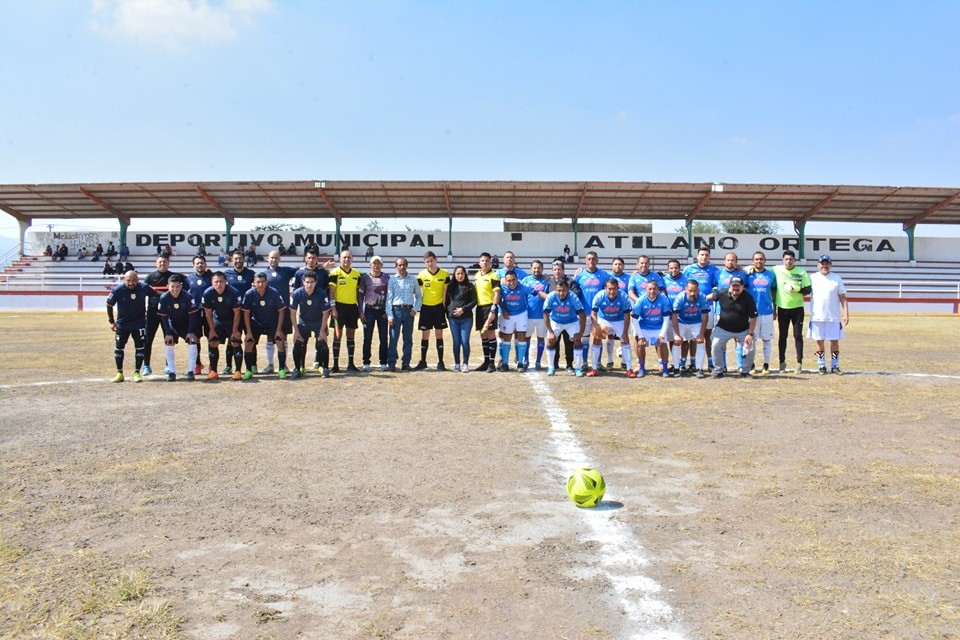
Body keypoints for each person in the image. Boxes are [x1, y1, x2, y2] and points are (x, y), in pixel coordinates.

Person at [106, 270, 157, 383]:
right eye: (128, 280)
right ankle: (119, 373)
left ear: (137, 280)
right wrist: (111, 321)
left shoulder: (143, 287)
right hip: (122, 325)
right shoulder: (117, 290)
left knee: (140, 348)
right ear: (124, 280)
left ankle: (137, 372)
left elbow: (156, 294)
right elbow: (109, 304)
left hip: (139, 324)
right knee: (119, 348)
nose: (131, 283)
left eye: (134, 280)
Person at [241, 272, 289, 379]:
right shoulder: (249, 294)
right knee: (249, 343)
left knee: (280, 341)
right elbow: (246, 313)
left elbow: (281, 311)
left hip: (272, 323)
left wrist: (279, 329)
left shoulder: (274, 293)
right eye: (258, 282)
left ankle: (281, 369)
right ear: (254, 283)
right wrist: (248, 332)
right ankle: (249, 370)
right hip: (256, 324)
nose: (261, 284)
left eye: (263, 282)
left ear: (267, 282)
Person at [772, 249, 812, 373]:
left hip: (797, 309)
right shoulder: (776, 269)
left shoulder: (801, 272)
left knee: (797, 335)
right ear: (783, 260)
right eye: (786, 259)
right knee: (782, 336)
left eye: (791, 259)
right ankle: (782, 363)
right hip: (782, 308)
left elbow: (808, 290)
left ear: (794, 260)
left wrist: (797, 288)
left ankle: (799, 363)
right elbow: (760, 269)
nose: (788, 261)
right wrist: (750, 268)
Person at [808, 255, 849, 375]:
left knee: (834, 341)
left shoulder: (836, 278)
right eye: (822, 263)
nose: (824, 266)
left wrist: (846, 313)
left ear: (830, 265)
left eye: (827, 264)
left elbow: (843, 298)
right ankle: (821, 365)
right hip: (817, 316)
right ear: (818, 265)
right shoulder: (812, 278)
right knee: (819, 341)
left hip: (833, 316)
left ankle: (835, 366)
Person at [294, 247, 333, 372]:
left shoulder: (322, 272)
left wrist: (329, 309)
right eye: (309, 257)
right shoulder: (299, 273)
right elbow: (297, 292)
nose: (311, 260)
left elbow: (327, 290)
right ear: (305, 258)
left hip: (320, 312)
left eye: (314, 258)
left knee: (321, 339)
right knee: (302, 341)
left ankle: (320, 364)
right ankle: (300, 367)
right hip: (305, 314)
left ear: (317, 259)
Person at [711, 276, 758, 378]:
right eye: (733, 286)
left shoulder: (748, 298)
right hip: (723, 328)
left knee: (750, 347)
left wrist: (750, 334)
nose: (735, 288)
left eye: (738, 286)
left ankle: (745, 371)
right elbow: (711, 297)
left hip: (743, 329)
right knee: (715, 344)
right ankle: (718, 370)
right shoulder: (722, 293)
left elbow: (753, 317)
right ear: (729, 286)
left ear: (742, 287)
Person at [156, 273, 200, 381]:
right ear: (168, 286)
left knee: (193, 342)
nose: (175, 289)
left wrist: (190, 331)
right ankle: (172, 372)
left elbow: (193, 316)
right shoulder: (164, 298)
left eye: (177, 286)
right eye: (172, 286)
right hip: (172, 325)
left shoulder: (188, 297)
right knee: (169, 343)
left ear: (181, 286)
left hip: (186, 324)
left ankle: (191, 371)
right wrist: (168, 332)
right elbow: (164, 317)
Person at [683, 248, 721, 370]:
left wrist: (704, 298)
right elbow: (682, 285)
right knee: (693, 337)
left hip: (707, 307)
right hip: (691, 307)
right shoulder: (689, 270)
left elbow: (717, 289)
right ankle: (693, 363)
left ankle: (710, 363)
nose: (704, 257)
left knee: (707, 336)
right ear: (697, 256)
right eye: (701, 255)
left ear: (709, 257)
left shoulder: (714, 270)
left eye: (706, 255)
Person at [289, 270, 331, 379]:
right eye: (307, 282)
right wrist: (296, 331)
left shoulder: (321, 293)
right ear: (303, 282)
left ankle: (324, 367)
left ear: (316, 282)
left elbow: (325, 312)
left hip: (318, 321)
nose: (309, 284)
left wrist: (322, 330)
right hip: (304, 322)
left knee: (322, 342)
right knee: (299, 343)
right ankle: (298, 368)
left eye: (312, 282)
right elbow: (292, 312)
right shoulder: (297, 293)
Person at [588, 277, 634, 377]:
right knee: (596, 338)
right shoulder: (599, 296)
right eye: (609, 289)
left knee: (625, 340)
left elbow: (627, 315)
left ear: (618, 288)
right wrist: (597, 327)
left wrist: (625, 332)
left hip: (619, 320)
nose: (612, 291)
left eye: (614, 288)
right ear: (605, 288)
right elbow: (593, 314)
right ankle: (594, 368)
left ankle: (629, 369)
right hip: (604, 319)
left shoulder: (623, 297)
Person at [201, 271, 243, 380]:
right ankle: (214, 371)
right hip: (218, 320)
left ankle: (237, 371)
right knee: (213, 341)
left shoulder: (234, 292)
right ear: (212, 282)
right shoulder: (207, 293)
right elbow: (208, 314)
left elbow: (237, 312)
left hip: (232, 320)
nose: (218, 284)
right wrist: (211, 330)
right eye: (216, 282)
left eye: (221, 282)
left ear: (226, 282)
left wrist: (234, 330)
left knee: (235, 341)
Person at [142, 254, 180, 376]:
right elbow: (144, 293)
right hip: (153, 312)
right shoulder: (150, 277)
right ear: (156, 264)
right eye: (160, 262)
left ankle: (168, 365)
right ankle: (146, 365)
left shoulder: (173, 277)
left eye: (165, 262)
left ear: (168, 263)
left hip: (168, 313)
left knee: (169, 338)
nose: (162, 264)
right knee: (148, 339)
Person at [497, 271, 541, 372]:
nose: (511, 282)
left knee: (521, 336)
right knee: (507, 337)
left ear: (517, 279)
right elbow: (498, 299)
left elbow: (536, 292)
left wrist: (549, 298)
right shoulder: (502, 287)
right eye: (509, 280)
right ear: (505, 280)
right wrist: (503, 310)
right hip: (508, 314)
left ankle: (520, 363)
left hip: (521, 314)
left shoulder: (523, 286)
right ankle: (505, 363)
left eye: (513, 280)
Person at [328, 249, 363, 373]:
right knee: (337, 335)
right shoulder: (335, 273)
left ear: (352, 259)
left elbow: (358, 294)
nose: (346, 259)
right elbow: (331, 292)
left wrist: (360, 310)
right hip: (338, 307)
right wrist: (333, 308)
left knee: (351, 335)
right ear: (340, 259)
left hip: (352, 308)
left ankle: (351, 363)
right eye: (344, 257)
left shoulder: (356, 274)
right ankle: (335, 365)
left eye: (349, 257)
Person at [263, 249, 298, 374]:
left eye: (276, 258)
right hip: (269, 311)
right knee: (270, 337)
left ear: (279, 259)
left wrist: (319, 266)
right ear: (268, 258)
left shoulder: (286, 271)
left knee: (284, 337)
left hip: (284, 309)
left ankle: (284, 364)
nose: (274, 260)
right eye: (272, 257)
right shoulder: (264, 274)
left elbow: (303, 270)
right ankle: (270, 364)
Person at [415, 251, 451, 370]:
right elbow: (418, 292)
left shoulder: (444, 274)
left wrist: (445, 306)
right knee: (425, 335)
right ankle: (423, 361)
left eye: (431, 260)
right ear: (424, 262)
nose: (430, 263)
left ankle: (441, 362)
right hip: (425, 308)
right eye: (427, 261)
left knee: (439, 335)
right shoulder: (421, 275)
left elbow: (446, 291)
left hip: (439, 308)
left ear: (436, 259)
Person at [543, 277, 586, 376]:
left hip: (571, 321)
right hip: (556, 321)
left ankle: (578, 368)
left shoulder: (573, 297)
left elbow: (582, 315)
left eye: (564, 291)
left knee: (577, 340)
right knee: (550, 340)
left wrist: (580, 333)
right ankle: (551, 367)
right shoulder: (551, 297)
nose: (561, 293)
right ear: (555, 290)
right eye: (559, 291)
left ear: (568, 290)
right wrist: (551, 332)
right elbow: (545, 315)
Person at [386, 257, 422, 371]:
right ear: (396, 266)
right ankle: (391, 362)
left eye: (403, 265)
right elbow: (389, 299)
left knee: (408, 338)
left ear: (407, 265)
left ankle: (406, 362)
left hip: (408, 311)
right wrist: (390, 315)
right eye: (399, 265)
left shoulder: (413, 279)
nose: (402, 267)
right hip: (396, 310)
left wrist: (415, 309)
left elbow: (419, 296)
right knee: (393, 338)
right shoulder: (392, 279)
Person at [631, 279, 673, 377]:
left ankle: (665, 368)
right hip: (644, 327)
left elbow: (666, 319)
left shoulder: (664, 299)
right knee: (640, 344)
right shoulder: (640, 300)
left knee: (663, 344)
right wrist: (641, 336)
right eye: (649, 289)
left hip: (658, 326)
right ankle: (641, 367)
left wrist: (662, 335)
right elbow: (634, 319)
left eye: (654, 289)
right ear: (646, 290)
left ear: (658, 289)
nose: (652, 291)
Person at [574, 251, 608, 367]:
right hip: (584, 313)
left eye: (593, 259)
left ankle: (597, 363)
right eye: (589, 259)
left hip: (599, 313)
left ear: (597, 261)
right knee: (584, 338)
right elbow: (573, 290)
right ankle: (584, 362)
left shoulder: (604, 275)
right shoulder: (579, 276)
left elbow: (614, 283)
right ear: (585, 261)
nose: (591, 261)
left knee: (599, 337)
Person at [716, 253, 749, 371]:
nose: (730, 262)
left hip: (739, 310)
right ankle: (723, 366)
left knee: (739, 339)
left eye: (733, 260)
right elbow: (714, 289)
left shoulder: (742, 274)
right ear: (724, 261)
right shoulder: (717, 273)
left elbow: (746, 288)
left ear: (736, 261)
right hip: (721, 311)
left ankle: (740, 365)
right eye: (728, 260)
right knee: (721, 340)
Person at [547, 259, 582, 371]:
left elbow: (575, 294)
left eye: (559, 269)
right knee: (554, 341)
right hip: (556, 317)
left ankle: (569, 364)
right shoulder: (550, 282)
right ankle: (554, 364)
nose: (557, 271)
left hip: (570, 317)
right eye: (555, 269)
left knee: (569, 342)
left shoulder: (571, 282)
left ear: (563, 270)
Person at [746, 251, 777, 375]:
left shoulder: (771, 275)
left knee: (766, 339)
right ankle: (751, 364)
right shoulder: (748, 274)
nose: (759, 261)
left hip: (767, 312)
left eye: (761, 259)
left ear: (765, 261)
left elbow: (774, 291)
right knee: (751, 339)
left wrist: (775, 307)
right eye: (756, 259)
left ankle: (766, 364)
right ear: (753, 261)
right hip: (751, 313)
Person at [672, 279, 710, 378]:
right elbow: (674, 316)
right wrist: (676, 334)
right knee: (676, 343)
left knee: (701, 342)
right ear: (686, 289)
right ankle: (676, 368)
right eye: (690, 290)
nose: (693, 293)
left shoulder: (702, 297)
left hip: (696, 322)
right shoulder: (680, 297)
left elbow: (705, 316)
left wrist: (701, 334)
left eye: (695, 290)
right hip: (682, 321)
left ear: (698, 289)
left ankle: (699, 369)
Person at [360, 255, 390, 371]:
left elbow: (390, 295)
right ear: (370, 265)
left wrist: (388, 311)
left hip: (382, 311)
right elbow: (360, 295)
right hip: (369, 310)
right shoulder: (365, 278)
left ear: (382, 265)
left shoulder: (387, 277)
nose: (376, 266)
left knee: (383, 337)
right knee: (367, 337)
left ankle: (383, 362)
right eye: (374, 263)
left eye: (379, 264)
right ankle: (366, 362)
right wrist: (361, 311)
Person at [186, 255, 214, 375]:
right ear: (193, 265)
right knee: (195, 339)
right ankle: (197, 364)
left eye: (202, 263)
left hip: (209, 312)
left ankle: (212, 365)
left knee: (211, 338)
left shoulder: (211, 277)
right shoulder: (188, 279)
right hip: (194, 313)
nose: (200, 265)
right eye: (197, 263)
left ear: (205, 264)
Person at [473, 252, 501, 372]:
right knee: (483, 334)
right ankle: (485, 361)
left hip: (489, 307)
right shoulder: (477, 275)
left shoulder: (494, 276)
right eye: (482, 261)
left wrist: (494, 309)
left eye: (487, 261)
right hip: (479, 308)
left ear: (490, 262)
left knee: (490, 334)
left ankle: (491, 363)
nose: (484, 263)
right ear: (479, 262)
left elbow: (497, 293)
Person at [445, 265, 477, 372]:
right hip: (453, 319)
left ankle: (465, 364)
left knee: (464, 341)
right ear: (454, 275)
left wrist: (463, 309)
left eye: (462, 273)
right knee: (456, 341)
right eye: (457, 273)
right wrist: (450, 313)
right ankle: (457, 363)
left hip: (466, 318)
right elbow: (446, 302)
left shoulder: (470, 286)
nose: (460, 276)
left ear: (465, 274)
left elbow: (474, 301)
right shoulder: (450, 286)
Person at [521, 260, 550, 370]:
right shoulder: (525, 281)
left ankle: (538, 361)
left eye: (539, 268)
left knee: (541, 338)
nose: (536, 270)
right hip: (528, 315)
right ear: (531, 268)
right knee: (526, 338)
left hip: (542, 316)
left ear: (542, 269)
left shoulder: (546, 281)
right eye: (534, 268)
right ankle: (526, 360)